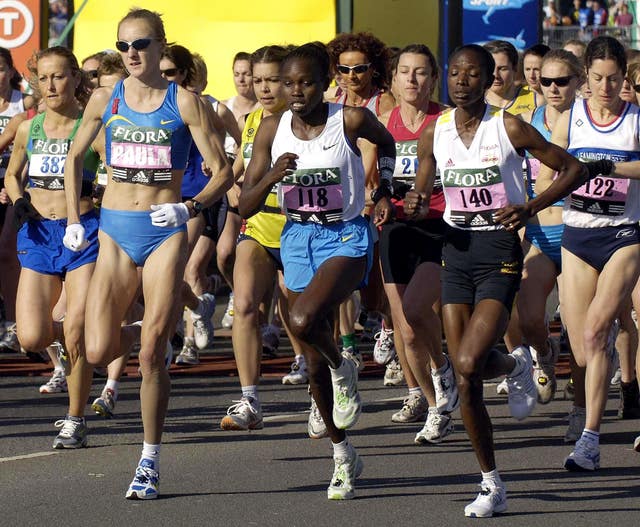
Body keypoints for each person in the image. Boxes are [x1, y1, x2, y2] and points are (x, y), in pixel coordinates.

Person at [404, 44, 589, 517]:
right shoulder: (437, 132)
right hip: (455, 252)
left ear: (488, 81)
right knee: (467, 377)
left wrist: (530, 205)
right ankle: (492, 479)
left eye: (472, 74)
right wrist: (416, 202)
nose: (461, 80)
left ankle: (510, 370)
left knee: (465, 363)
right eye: (455, 72)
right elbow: (425, 185)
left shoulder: (506, 125)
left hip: (498, 254)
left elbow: (573, 168)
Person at [63, 8, 233, 499]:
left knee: (152, 354)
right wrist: (76, 221)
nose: (131, 53)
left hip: (164, 232)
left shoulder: (185, 102)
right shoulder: (105, 96)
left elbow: (222, 170)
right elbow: (75, 157)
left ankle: (149, 460)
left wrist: (189, 207)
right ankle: (146, 327)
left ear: (161, 46)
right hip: (115, 230)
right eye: (123, 46)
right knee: (94, 350)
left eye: (140, 44)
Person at [239, 42, 396, 500]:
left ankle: (344, 364)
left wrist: (383, 186)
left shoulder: (348, 120)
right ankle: (343, 455)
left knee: (303, 320)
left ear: (325, 83)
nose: (295, 91)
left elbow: (385, 143)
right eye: (288, 83)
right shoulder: (272, 129)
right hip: (297, 238)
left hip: (346, 236)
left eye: (305, 82)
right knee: (310, 363)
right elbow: (245, 203)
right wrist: (273, 175)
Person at [538, 36, 640, 473]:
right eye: (597, 78)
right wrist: (557, 197)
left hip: (624, 237)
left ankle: (590, 439)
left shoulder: (636, 118)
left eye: (613, 79)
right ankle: (605, 366)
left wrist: (607, 167)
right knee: (582, 350)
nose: (604, 87)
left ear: (624, 78)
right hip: (577, 238)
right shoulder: (572, 118)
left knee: (598, 330)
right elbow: (546, 178)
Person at [4, 46, 102, 448]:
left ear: (76, 79)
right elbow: (12, 174)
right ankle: (74, 340)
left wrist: (99, 189)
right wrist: (19, 199)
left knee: (75, 329)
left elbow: (115, 172)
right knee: (30, 336)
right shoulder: (29, 127)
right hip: (39, 234)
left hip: (82, 233)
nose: (50, 85)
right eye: (42, 78)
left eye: (59, 76)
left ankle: (75, 418)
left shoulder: (91, 125)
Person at [220, 45, 307, 431]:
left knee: (300, 315)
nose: (264, 88)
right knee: (244, 306)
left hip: (300, 228)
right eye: (258, 80)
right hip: (257, 226)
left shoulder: (307, 122)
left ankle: (319, 378)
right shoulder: (254, 118)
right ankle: (249, 398)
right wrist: (221, 185)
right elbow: (237, 164)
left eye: (273, 80)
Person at [377, 44, 458, 442]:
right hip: (396, 229)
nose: (412, 79)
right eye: (404, 72)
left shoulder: (447, 121)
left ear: (433, 78)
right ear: (392, 79)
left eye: (421, 72)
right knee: (405, 330)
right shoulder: (379, 123)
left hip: (440, 227)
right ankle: (434, 403)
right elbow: (365, 177)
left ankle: (444, 370)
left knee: (423, 313)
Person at [517, 50, 583, 430]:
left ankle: (578, 408)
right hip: (540, 233)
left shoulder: (589, 123)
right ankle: (544, 354)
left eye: (563, 81)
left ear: (578, 81)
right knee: (528, 318)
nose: (554, 88)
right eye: (547, 81)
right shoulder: (528, 123)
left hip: (578, 234)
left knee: (577, 326)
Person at [484, 40, 536, 115]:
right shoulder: (473, 104)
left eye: (502, 69)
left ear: (515, 68)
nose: (496, 75)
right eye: (491, 68)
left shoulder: (535, 99)